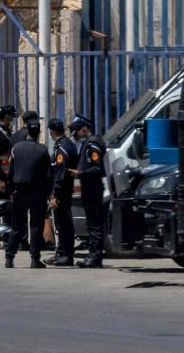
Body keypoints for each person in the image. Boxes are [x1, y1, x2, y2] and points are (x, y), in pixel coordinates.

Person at [4, 118, 50, 268]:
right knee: (36, 225)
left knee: (17, 226)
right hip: (37, 191)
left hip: (19, 191)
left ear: (27, 131)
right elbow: (48, 174)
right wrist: (49, 193)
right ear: (39, 133)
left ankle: (9, 257)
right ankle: (34, 259)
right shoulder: (42, 150)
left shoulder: (16, 148)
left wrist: (10, 189)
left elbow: (10, 172)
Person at [71, 115, 107, 268]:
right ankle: (93, 255)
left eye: (77, 132)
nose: (75, 135)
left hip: (93, 187)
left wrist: (81, 174)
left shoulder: (93, 143)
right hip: (90, 187)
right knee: (92, 223)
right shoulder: (89, 142)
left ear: (84, 129)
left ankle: (95, 256)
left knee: (94, 223)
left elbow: (96, 167)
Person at [46, 117, 77, 267]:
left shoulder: (62, 147)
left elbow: (60, 173)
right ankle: (61, 252)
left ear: (51, 131)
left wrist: (54, 195)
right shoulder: (63, 144)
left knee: (64, 223)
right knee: (60, 223)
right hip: (63, 189)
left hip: (62, 191)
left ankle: (67, 255)